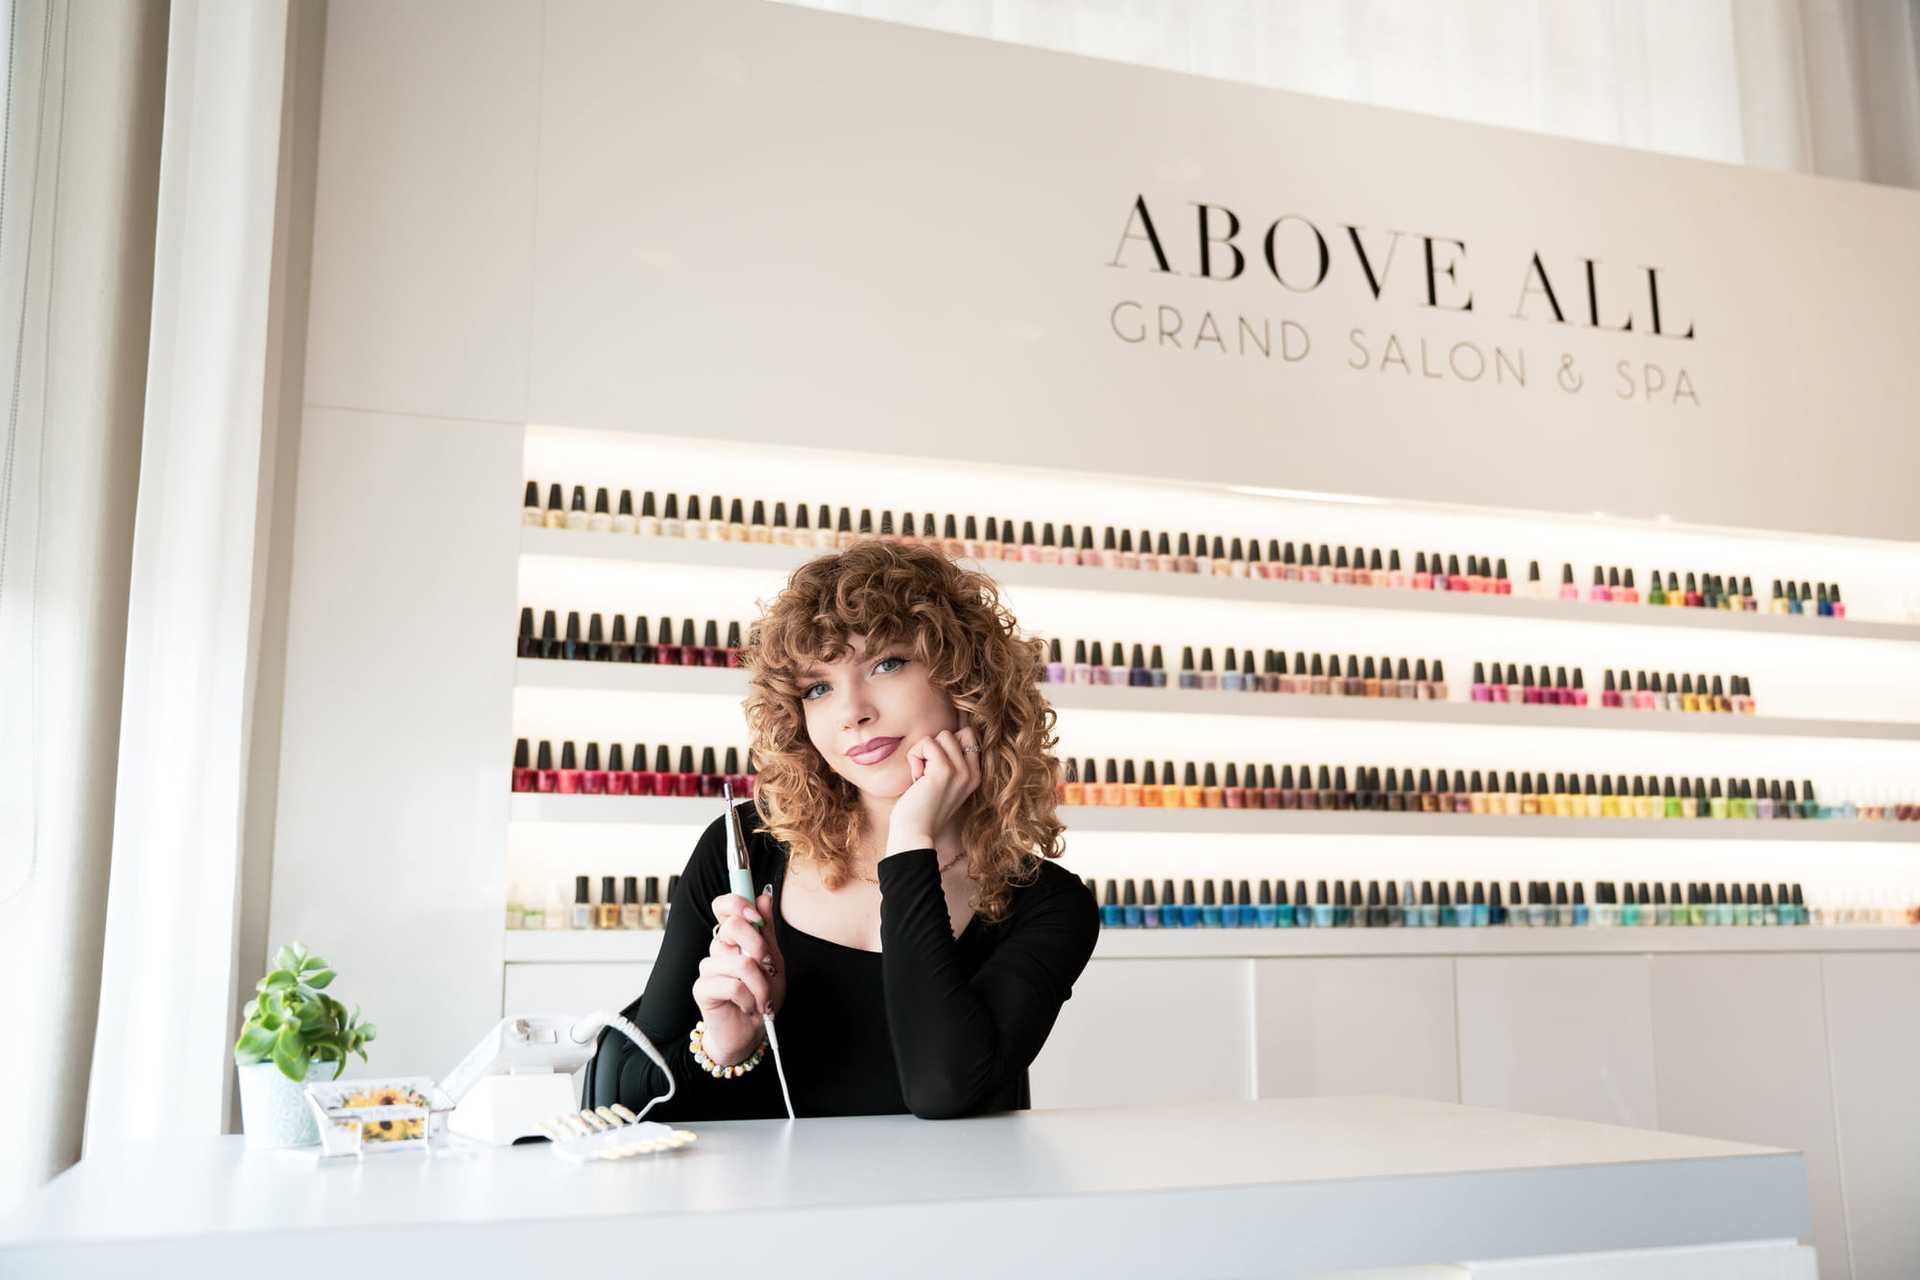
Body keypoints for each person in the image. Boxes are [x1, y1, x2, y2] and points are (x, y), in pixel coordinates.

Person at [581, 539, 1099, 1120]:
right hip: (762, 1208)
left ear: (967, 680)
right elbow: (628, 1102)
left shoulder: (1048, 904)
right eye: (818, 687)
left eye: (887, 663)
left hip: (950, 1209)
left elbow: (942, 1088)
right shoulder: (746, 850)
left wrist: (911, 838)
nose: (852, 710)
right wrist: (727, 1046)